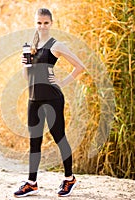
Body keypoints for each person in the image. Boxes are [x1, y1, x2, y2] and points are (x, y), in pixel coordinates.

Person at [14, 8, 85, 198]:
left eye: (46, 23)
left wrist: (62, 82)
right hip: (33, 98)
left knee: (59, 137)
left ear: (51, 23)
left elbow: (80, 66)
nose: (42, 26)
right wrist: (25, 64)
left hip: (53, 99)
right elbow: (26, 77)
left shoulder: (56, 45)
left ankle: (70, 179)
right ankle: (31, 183)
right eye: (39, 23)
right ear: (35, 23)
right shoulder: (31, 46)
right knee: (34, 141)